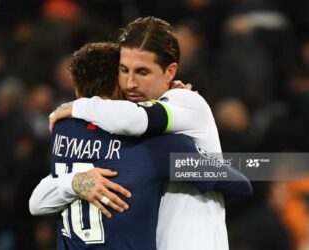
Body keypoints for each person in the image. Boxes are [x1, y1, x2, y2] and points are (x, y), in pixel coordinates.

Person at [29, 42, 251, 250]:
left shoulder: (62, 131)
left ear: (78, 92)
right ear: (121, 84)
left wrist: (74, 182)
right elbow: (239, 184)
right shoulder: (154, 147)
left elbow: (36, 202)